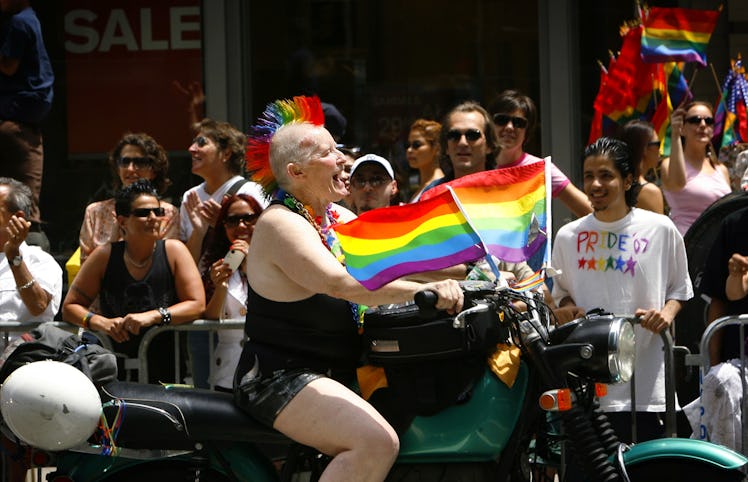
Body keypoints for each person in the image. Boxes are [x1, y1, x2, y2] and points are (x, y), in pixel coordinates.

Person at [237, 96, 463, 481]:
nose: (344, 159)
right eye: (329, 152)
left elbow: (404, 258)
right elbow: (342, 284)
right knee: (375, 443)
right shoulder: (280, 224)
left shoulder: (335, 217)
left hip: (338, 370)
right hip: (280, 377)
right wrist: (424, 291)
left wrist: (481, 273)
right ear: (296, 171)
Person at [551, 137, 693, 444]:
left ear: (628, 180)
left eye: (606, 175)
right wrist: (566, 305)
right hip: (586, 385)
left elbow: (680, 288)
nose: (595, 184)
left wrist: (665, 315)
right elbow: (560, 291)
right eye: (589, 176)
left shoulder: (660, 229)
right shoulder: (567, 236)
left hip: (645, 385)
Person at [63, 180, 205, 384]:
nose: (153, 218)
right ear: (122, 221)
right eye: (143, 213)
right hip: (114, 371)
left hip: (166, 369)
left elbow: (197, 305)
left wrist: (154, 316)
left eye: (158, 211)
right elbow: (70, 307)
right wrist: (101, 322)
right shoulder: (104, 256)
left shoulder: (174, 251)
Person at [180, 118, 267, 388]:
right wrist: (200, 230)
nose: (192, 149)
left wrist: (225, 223)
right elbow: (187, 262)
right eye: (193, 142)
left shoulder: (251, 191)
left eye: (202, 142)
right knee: (207, 389)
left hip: (244, 305)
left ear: (226, 152)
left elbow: (267, 241)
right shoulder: (189, 198)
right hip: (206, 305)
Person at [688, 206, 748, 451]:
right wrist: (712, 365)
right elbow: (723, 297)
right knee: (721, 382)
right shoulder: (734, 224)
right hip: (740, 363)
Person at [0, 0, 54, 251]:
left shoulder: (21, 21)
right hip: (17, 119)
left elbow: (8, 66)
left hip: (18, 117)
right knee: (27, 209)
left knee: (26, 209)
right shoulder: (26, 18)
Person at [488, 89, 591, 218]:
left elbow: (589, 210)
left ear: (528, 130)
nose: (509, 127)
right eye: (501, 120)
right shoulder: (478, 164)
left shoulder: (540, 169)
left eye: (518, 123)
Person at [79, 133, 179, 264]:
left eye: (140, 162)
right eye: (125, 162)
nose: (130, 169)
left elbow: (166, 263)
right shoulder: (95, 212)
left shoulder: (167, 213)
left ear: (154, 169)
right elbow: (86, 265)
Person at [201, 194, 263, 391]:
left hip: (266, 367)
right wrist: (221, 287)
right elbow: (210, 317)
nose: (241, 226)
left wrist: (251, 262)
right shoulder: (218, 265)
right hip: (228, 369)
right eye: (232, 221)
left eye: (249, 218)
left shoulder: (275, 261)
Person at [661, 101, 731, 236]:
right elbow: (676, 184)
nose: (703, 125)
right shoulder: (669, 164)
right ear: (683, 128)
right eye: (695, 120)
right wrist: (674, 134)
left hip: (718, 245)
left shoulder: (721, 169)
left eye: (709, 121)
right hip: (686, 245)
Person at [0, 176, 60, 322]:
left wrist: (14, 257)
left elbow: (38, 306)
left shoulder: (41, 260)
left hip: (22, 344)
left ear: (17, 217)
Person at [417, 100, 497, 196]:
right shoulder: (432, 194)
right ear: (446, 147)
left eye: (472, 135)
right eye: (454, 135)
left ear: (489, 145)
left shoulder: (507, 191)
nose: (462, 143)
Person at [619, 120, 665, 215]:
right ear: (644, 148)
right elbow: (657, 230)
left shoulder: (615, 187)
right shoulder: (650, 192)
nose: (660, 150)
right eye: (658, 144)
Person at [406, 119, 444, 202]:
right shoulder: (423, 185)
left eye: (417, 145)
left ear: (436, 148)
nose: (409, 150)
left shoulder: (439, 187)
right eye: (408, 145)